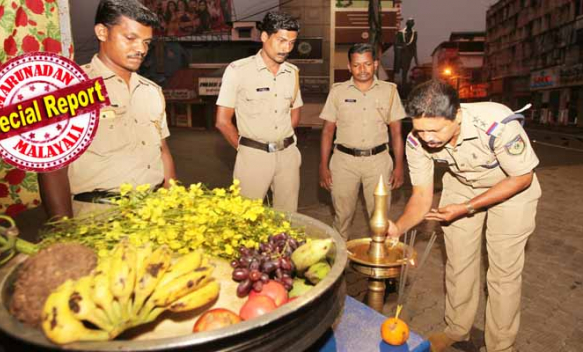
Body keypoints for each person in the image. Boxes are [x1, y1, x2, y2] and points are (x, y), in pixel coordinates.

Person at [387, 80, 541, 352]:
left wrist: (468, 207)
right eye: (421, 130)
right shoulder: (416, 141)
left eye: (434, 130)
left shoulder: (497, 124)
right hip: (462, 185)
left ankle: (501, 346)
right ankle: (457, 330)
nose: (428, 138)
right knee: (458, 264)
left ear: (456, 115)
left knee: (503, 272)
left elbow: (522, 176)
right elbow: (422, 197)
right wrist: (396, 229)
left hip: (512, 187)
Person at [39, 0, 176, 219]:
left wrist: (173, 204)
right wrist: (62, 228)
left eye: (146, 42)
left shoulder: (152, 91)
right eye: (130, 38)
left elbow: (163, 151)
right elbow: (53, 169)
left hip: (154, 212)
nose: (141, 49)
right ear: (102, 32)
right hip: (97, 216)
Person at [215, 11, 302, 212]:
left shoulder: (292, 72)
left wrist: (282, 140)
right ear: (264, 37)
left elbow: (295, 111)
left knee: (288, 219)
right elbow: (222, 121)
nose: (286, 48)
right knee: (246, 218)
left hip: (288, 155)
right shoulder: (238, 70)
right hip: (253, 155)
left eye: (291, 42)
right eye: (281, 40)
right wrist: (246, 149)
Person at [318, 43, 405, 240]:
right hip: (343, 162)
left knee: (380, 216)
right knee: (342, 216)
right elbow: (327, 132)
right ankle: (339, 262)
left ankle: (377, 261)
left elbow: (397, 132)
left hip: (379, 162)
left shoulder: (390, 91)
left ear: (375, 64)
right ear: (349, 67)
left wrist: (399, 166)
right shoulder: (338, 92)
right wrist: (323, 166)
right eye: (357, 65)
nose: (362, 69)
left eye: (367, 64)